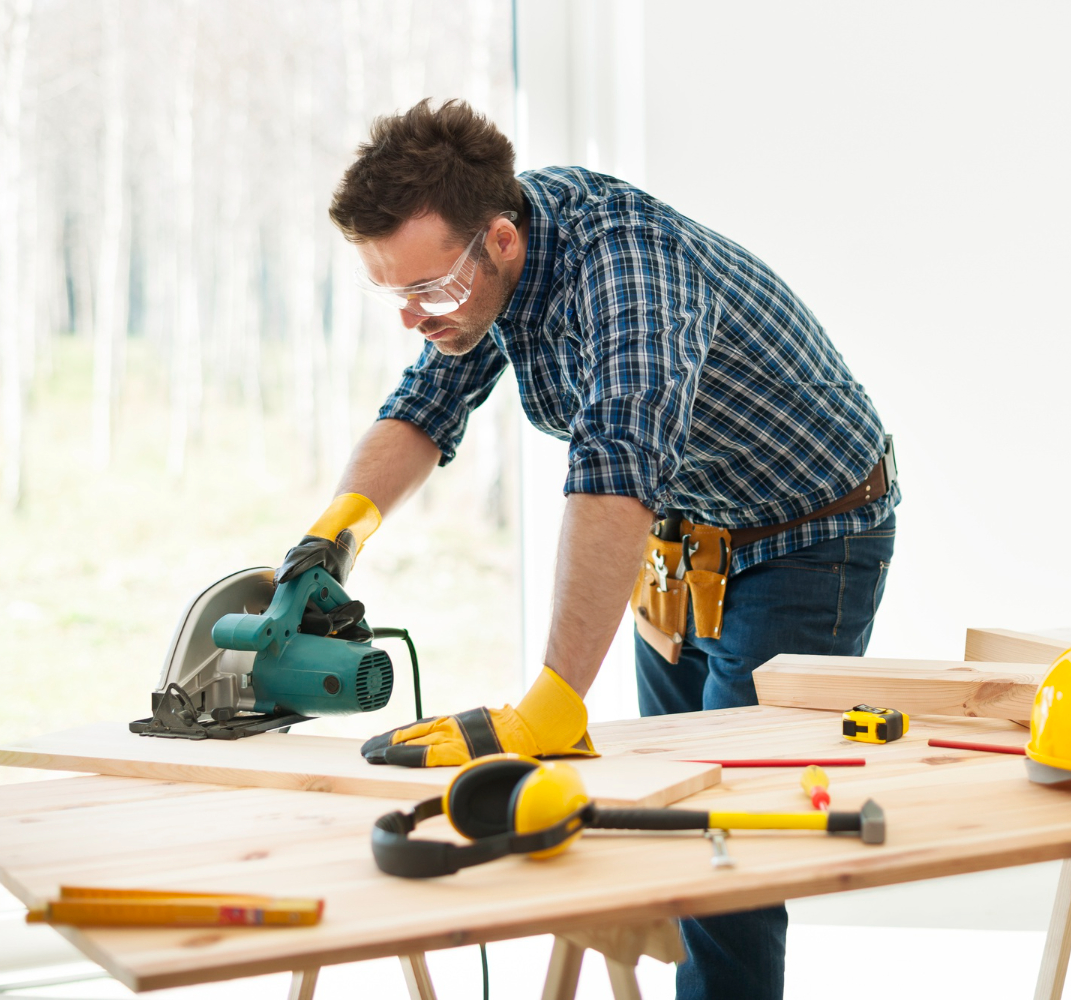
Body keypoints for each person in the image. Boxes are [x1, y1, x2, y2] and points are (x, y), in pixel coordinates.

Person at [278, 98, 898, 1000]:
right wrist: (331, 539)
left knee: (731, 846)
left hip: (810, 539)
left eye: (428, 289)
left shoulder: (631, 275)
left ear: (500, 240)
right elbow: (423, 408)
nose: (415, 317)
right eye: (392, 293)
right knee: (669, 811)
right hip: (691, 543)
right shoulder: (477, 278)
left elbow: (615, 480)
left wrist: (553, 703)